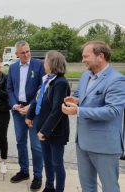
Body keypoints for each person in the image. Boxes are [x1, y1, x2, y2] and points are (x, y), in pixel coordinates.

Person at [62, 41, 125, 192]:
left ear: (100, 56)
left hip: (104, 146)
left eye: (85, 56)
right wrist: (74, 100)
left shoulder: (117, 80)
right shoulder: (85, 76)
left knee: (110, 188)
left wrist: (78, 111)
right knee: (87, 187)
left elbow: (113, 111)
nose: (82, 60)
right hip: (82, 143)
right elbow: (80, 95)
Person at [26, 51, 70, 192]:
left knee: (57, 164)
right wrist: (30, 115)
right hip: (43, 128)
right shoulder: (47, 79)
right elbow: (37, 99)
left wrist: (44, 131)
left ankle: (59, 189)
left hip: (55, 131)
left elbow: (57, 110)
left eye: (45, 61)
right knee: (47, 162)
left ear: (52, 64)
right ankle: (49, 186)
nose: (43, 64)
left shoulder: (60, 83)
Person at [6, 40, 45, 190]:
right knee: (20, 142)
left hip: (33, 110)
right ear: (16, 54)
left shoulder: (38, 65)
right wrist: (15, 105)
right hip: (18, 110)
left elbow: (43, 86)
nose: (27, 54)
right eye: (23, 52)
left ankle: (37, 176)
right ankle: (24, 171)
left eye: (28, 51)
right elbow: (9, 88)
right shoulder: (13, 67)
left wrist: (31, 106)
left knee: (36, 146)